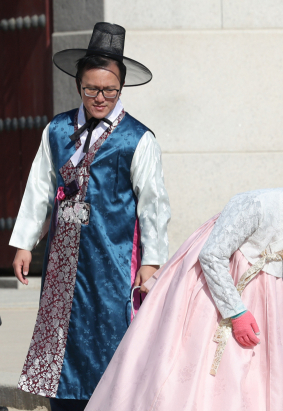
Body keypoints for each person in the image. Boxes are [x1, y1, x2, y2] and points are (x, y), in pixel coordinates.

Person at [85, 149, 283, 411]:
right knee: (204, 372)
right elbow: (212, 256)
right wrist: (235, 312)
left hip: (269, 303)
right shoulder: (254, 204)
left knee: (262, 380)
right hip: (213, 293)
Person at [9, 22, 171, 411]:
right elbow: (39, 187)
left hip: (112, 256)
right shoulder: (57, 129)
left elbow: (154, 204)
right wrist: (24, 243)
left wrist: (151, 262)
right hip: (63, 258)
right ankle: (64, 402)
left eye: (109, 90)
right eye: (91, 89)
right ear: (78, 85)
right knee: (61, 335)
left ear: (122, 88)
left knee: (111, 331)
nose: (100, 97)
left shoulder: (137, 138)